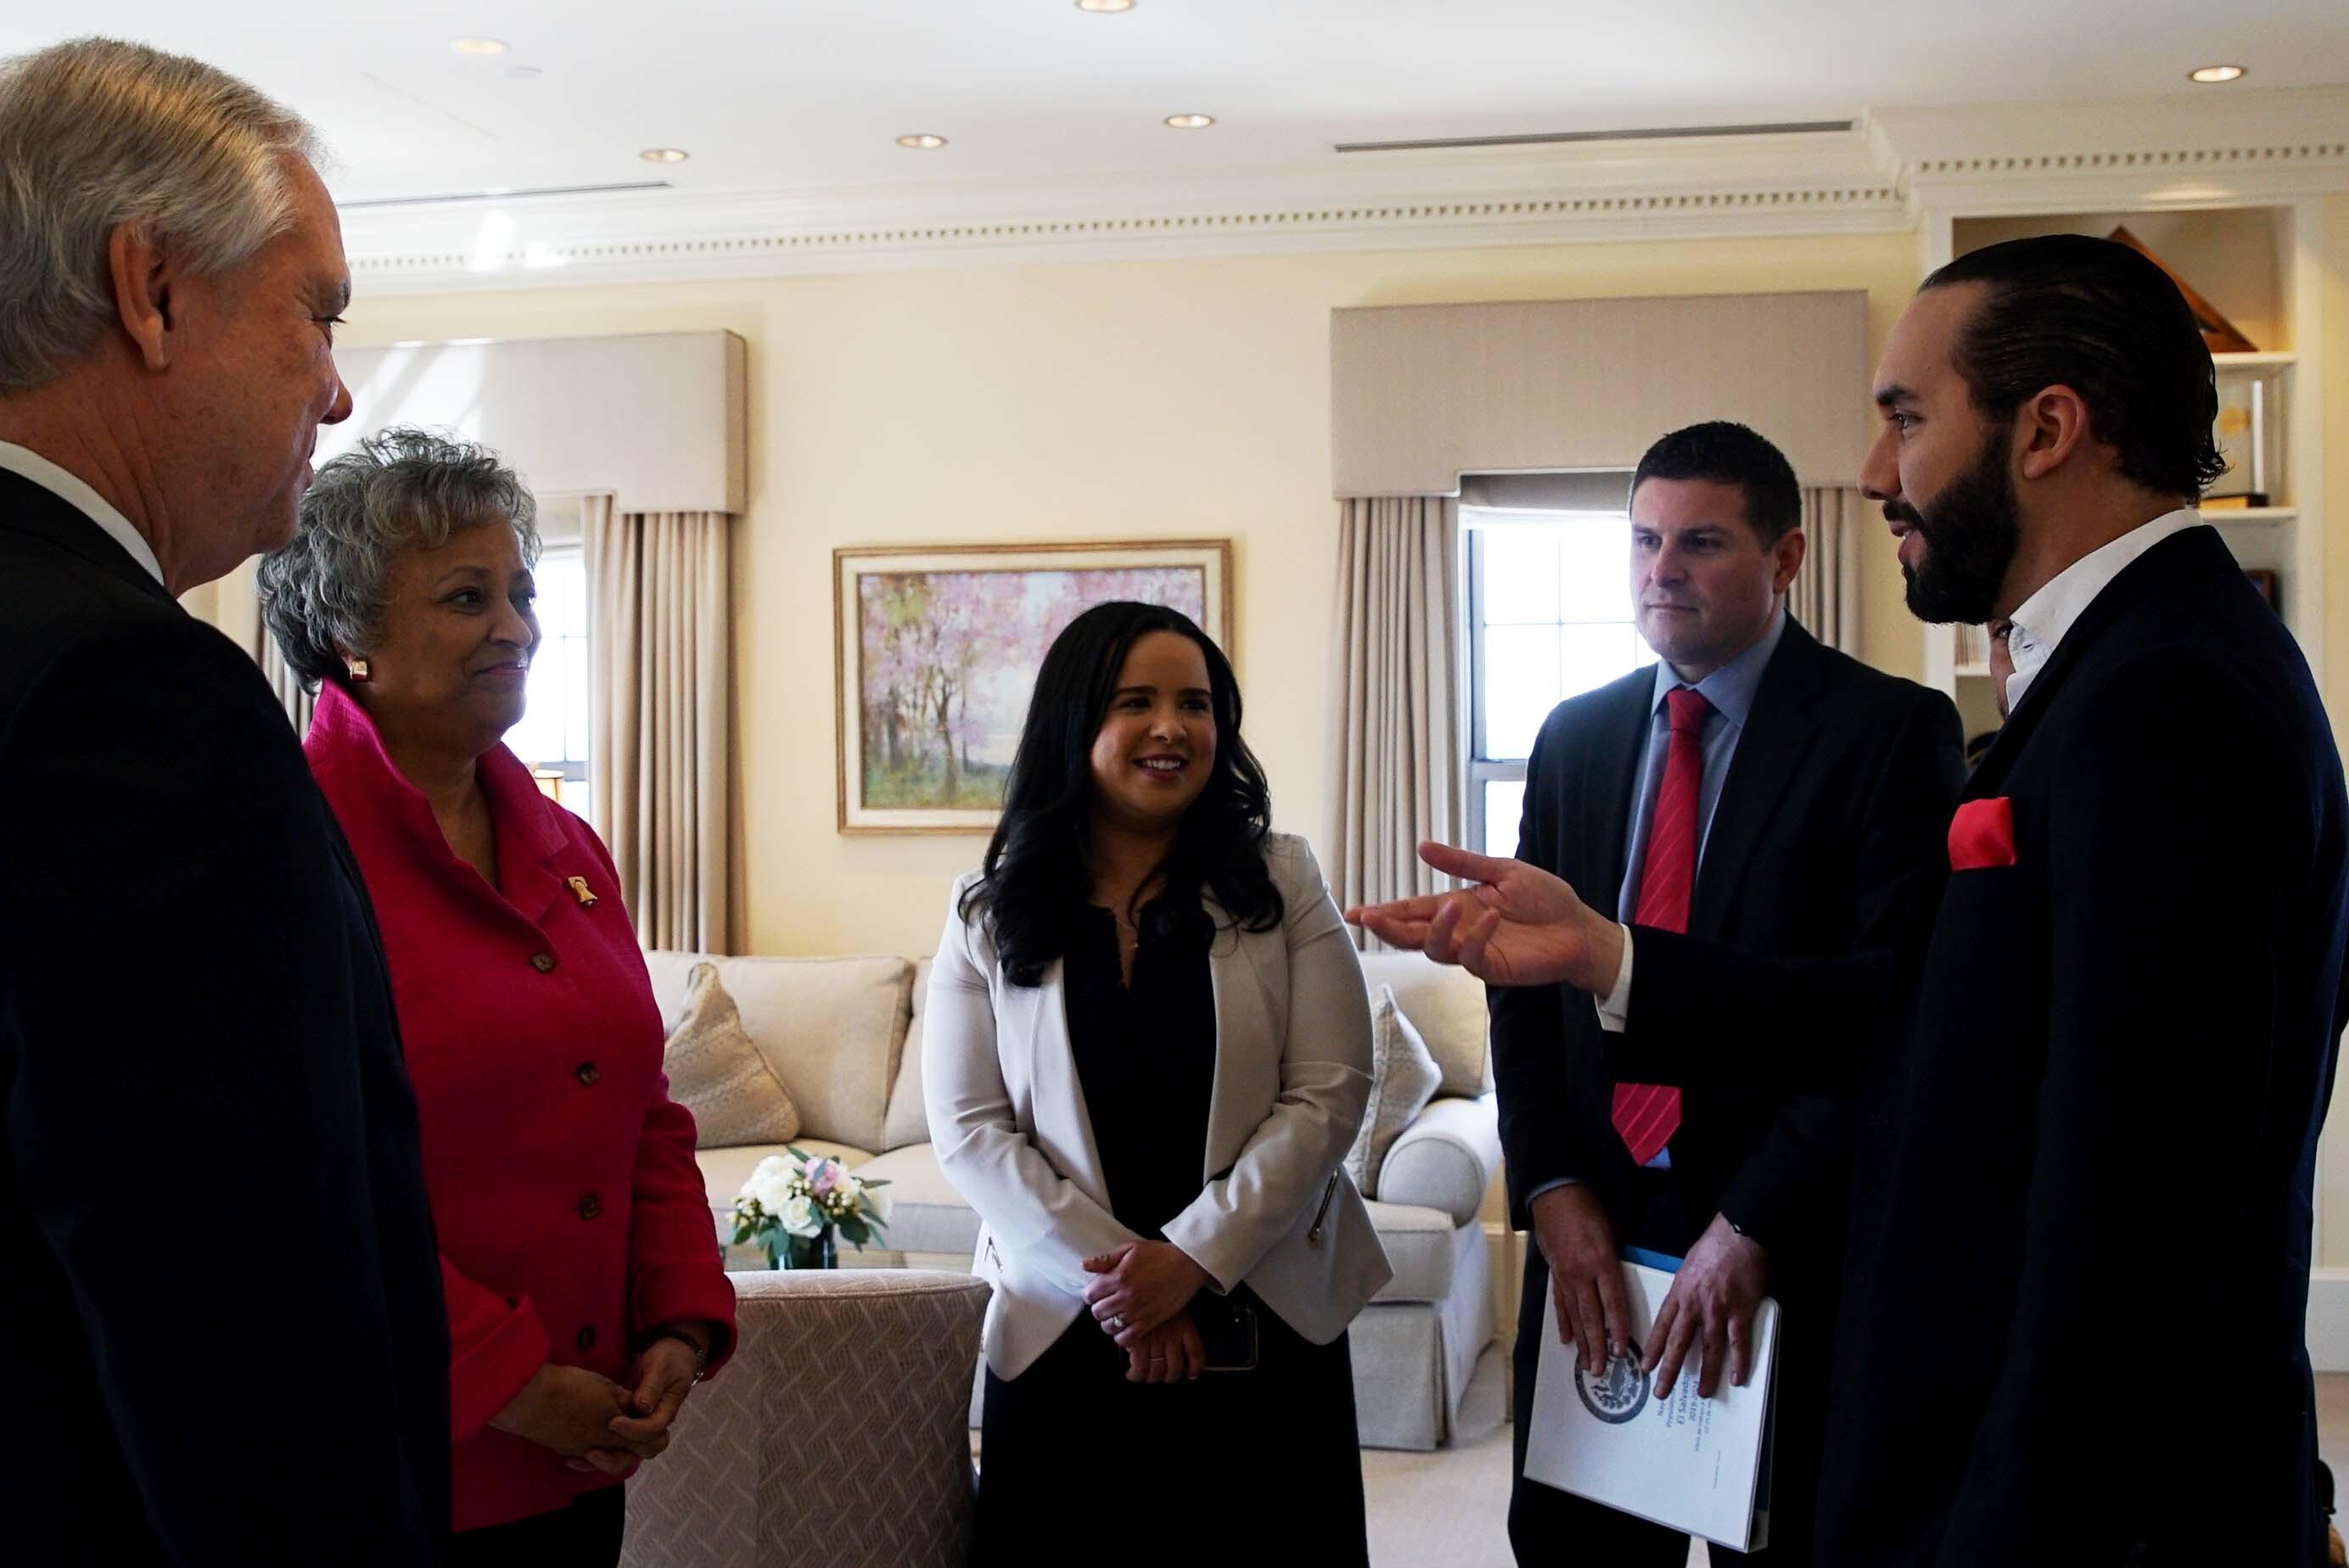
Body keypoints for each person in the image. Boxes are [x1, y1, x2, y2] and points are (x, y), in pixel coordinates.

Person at [1352, 233, 2349, 1565]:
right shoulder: (2136, 667)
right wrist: (1610, 963)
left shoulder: (2163, 699)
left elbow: (2125, 1222)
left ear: (2048, 428)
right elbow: (1920, 1019)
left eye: (1905, 418)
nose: (1882, 469)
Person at [0, 38, 449, 1564]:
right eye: (316, 313)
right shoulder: (133, 696)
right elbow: (231, 1309)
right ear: (152, 289)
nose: (335, 388)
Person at [256, 427, 737, 1563]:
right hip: (406, 1446)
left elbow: (645, 1113)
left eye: (521, 591)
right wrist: (508, 1381)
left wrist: (675, 1318)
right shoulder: (280, 849)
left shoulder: (570, 847)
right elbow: (292, 1181)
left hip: (591, 1442)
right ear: (350, 634)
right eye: (469, 598)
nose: (518, 626)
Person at [1495, 422, 1962, 1565]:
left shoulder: (1891, 734)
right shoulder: (1576, 737)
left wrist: (1752, 1222)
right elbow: (1526, 998)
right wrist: (1552, 1188)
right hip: (1595, 1232)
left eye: (1701, 543)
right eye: (1646, 541)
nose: (1662, 571)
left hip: (1785, 1238)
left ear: (1787, 557)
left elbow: (1886, 1011)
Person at [925, 601, 1393, 1565]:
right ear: (1074, 721)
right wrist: (1127, 1290)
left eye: (1196, 703)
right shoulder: (988, 908)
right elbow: (969, 1131)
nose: (1171, 728)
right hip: (1064, 1324)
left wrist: (1190, 1261)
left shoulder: (1282, 880)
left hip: (1263, 1316)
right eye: (1134, 701)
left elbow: (1329, 1095)